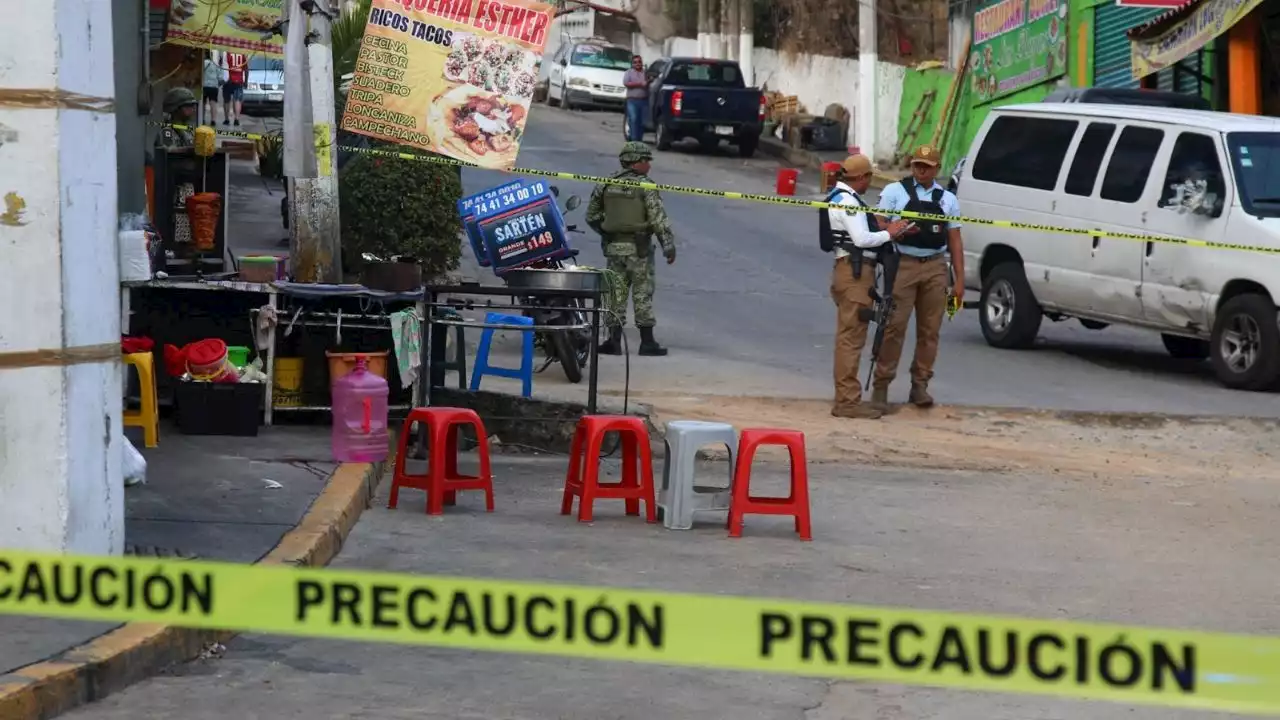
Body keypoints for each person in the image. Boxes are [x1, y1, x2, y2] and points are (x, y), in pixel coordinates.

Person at [870, 144, 966, 409]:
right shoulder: (894, 191)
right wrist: (894, 228)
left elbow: (955, 240)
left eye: (927, 166)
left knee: (930, 331)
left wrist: (959, 280)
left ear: (937, 169)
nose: (921, 171)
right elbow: (876, 222)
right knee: (893, 327)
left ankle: (920, 385)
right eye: (917, 165)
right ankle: (881, 385)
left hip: (935, 266)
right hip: (904, 263)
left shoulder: (948, 200)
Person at [825, 154, 913, 419]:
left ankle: (847, 398)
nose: (869, 182)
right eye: (869, 177)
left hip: (851, 271)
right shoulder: (848, 202)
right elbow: (861, 238)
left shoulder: (840, 197)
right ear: (862, 177)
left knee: (849, 337)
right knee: (851, 339)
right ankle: (847, 402)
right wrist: (891, 233)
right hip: (855, 273)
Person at [586, 141, 677, 357]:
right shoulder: (646, 186)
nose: (649, 165)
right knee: (642, 293)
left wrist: (608, 232)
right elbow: (658, 219)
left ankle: (613, 341)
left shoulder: (606, 183)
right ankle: (647, 343)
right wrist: (668, 246)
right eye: (646, 161)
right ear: (636, 162)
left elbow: (591, 216)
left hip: (614, 248)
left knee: (616, 293)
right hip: (639, 249)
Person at [622, 55, 648, 142]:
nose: (638, 64)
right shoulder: (628, 73)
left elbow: (649, 83)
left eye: (639, 62)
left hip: (643, 100)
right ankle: (634, 139)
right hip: (632, 100)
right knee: (633, 118)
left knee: (642, 121)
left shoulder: (645, 73)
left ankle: (639, 139)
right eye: (635, 62)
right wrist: (640, 84)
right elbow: (626, 83)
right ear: (632, 64)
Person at [223, 52, 247, 127]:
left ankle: (227, 119)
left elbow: (224, 67)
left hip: (228, 80)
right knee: (237, 100)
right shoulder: (242, 53)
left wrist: (224, 79)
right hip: (239, 80)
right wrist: (246, 81)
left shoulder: (226, 53)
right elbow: (246, 69)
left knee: (226, 100)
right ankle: (236, 119)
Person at [201, 53, 222, 124]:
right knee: (213, 103)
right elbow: (220, 77)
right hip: (213, 86)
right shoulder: (215, 64)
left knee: (203, 103)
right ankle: (213, 120)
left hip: (203, 86)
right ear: (211, 56)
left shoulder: (201, 63)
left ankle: (202, 119)